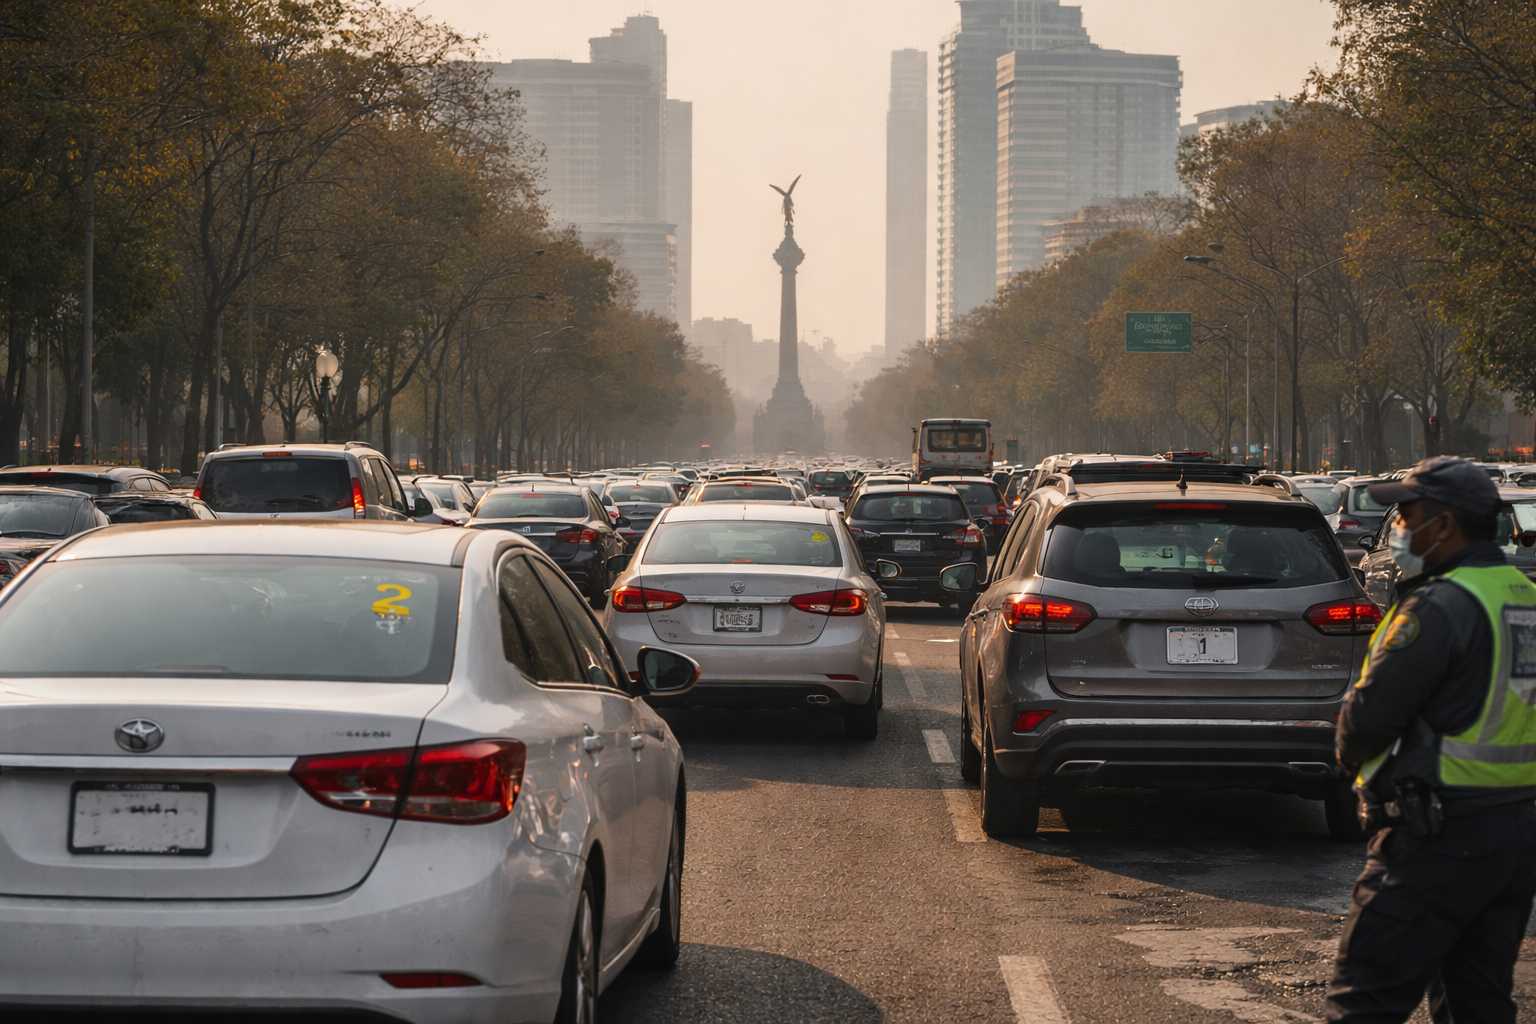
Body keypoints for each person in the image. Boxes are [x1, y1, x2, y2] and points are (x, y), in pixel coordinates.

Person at [1326, 456, 1536, 1023]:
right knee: (1478, 1003)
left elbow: (1366, 722)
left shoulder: (1440, 606)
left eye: (1407, 516)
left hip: (1434, 838)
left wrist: (1350, 766)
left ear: (1442, 526)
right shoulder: (1523, 596)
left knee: (1363, 1002)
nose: (1398, 529)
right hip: (1514, 836)